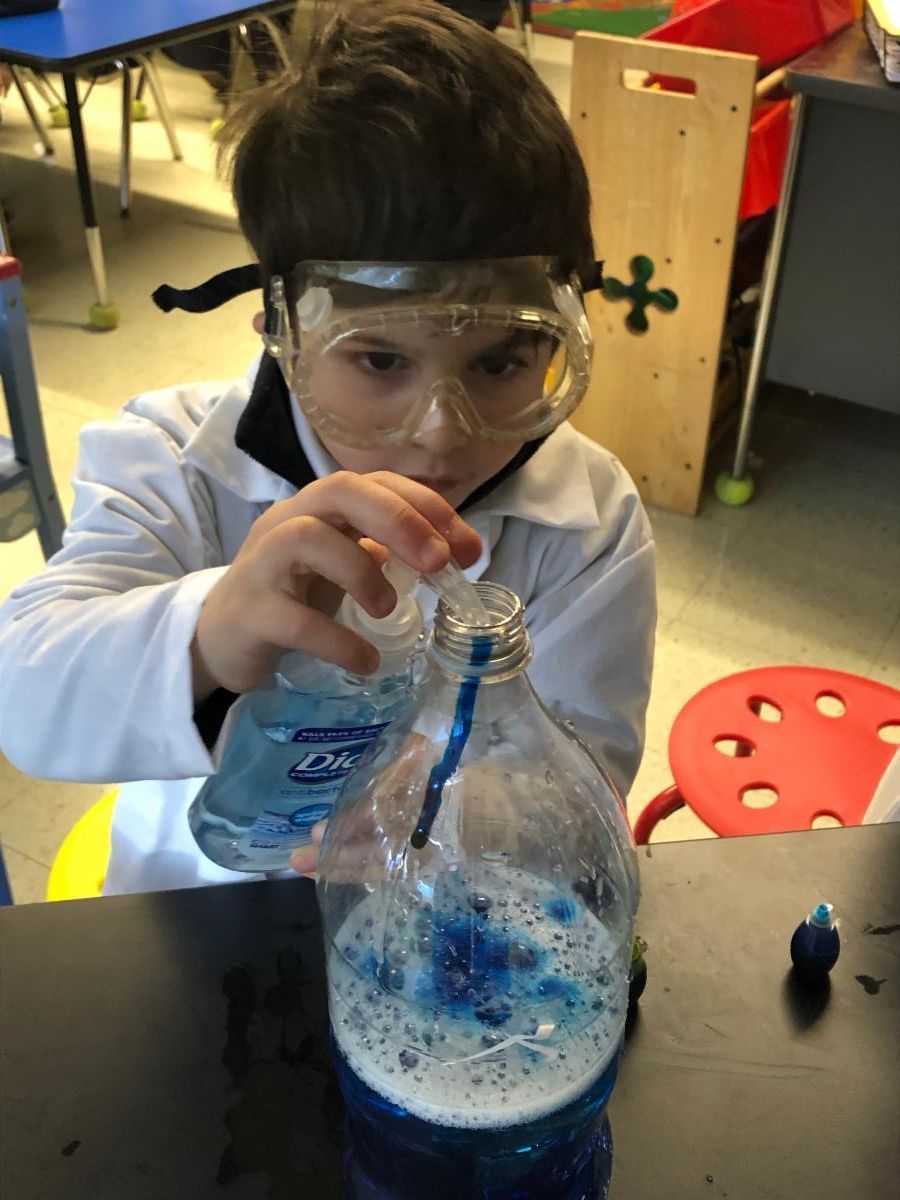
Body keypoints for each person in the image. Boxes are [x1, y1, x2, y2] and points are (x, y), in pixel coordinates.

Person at [0, 0, 656, 895]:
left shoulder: (592, 518)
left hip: (442, 909)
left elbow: (592, 773)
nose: (442, 429)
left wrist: (465, 815)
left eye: (501, 361)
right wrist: (210, 630)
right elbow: (28, 699)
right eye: (381, 359)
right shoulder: (170, 456)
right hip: (187, 903)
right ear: (283, 329)